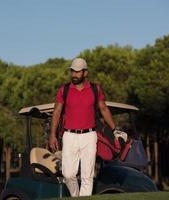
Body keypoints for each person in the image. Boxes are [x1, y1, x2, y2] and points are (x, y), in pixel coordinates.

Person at [48, 57, 116, 197]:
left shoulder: (94, 89)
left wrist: (115, 129)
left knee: (87, 175)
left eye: (78, 72)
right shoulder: (64, 89)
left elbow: (103, 108)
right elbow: (56, 112)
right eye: (72, 71)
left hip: (89, 136)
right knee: (68, 174)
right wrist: (52, 134)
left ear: (85, 73)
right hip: (69, 136)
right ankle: (76, 197)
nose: (74, 75)